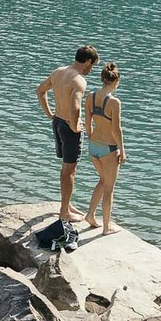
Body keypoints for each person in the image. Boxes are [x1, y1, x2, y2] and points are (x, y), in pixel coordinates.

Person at [36, 45, 99, 223]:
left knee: (67, 167)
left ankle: (67, 204)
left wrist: (49, 114)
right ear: (87, 61)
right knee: (70, 169)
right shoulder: (79, 80)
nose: (90, 69)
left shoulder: (58, 72)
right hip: (68, 127)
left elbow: (40, 90)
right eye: (91, 65)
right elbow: (75, 107)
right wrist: (75, 126)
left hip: (57, 122)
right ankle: (64, 212)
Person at [83, 63, 126, 235]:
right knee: (109, 187)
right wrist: (122, 150)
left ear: (102, 79)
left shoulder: (91, 97)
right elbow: (116, 129)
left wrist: (91, 135)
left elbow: (87, 121)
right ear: (116, 81)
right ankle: (107, 227)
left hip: (94, 146)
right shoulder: (114, 102)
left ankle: (90, 215)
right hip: (109, 148)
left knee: (102, 180)